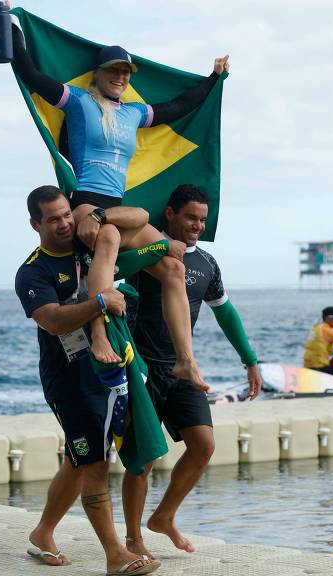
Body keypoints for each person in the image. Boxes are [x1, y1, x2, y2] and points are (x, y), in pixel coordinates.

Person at [10, 21, 229, 392]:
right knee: (109, 235)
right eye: (114, 70)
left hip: (117, 206)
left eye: (126, 72)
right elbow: (30, 73)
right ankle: (98, 335)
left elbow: (178, 107)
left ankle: (185, 361)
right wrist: (11, 25)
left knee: (173, 268)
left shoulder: (133, 114)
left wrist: (213, 78)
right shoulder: (78, 100)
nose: (121, 77)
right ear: (99, 73)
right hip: (87, 202)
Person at [14, 185, 161, 575]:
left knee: (79, 460)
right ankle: (115, 556)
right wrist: (99, 302)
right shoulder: (33, 271)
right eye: (53, 219)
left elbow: (142, 217)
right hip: (69, 379)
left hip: (110, 369)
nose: (64, 223)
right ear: (35, 224)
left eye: (66, 214)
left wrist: (99, 216)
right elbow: (52, 319)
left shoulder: (86, 238)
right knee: (94, 462)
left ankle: (42, 532)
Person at [122, 184, 262, 557]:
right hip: (143, 368)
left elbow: (226, 313)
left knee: (203, 445)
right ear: (169, 214)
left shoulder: (207, 264)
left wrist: (250, 360)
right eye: (190, 218)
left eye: (202, 219)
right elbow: (120, 273)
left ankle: (163, 517)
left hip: (183, 369)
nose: (198, 225)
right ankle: (133, 540)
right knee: (143, 457)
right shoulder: (146, 251)